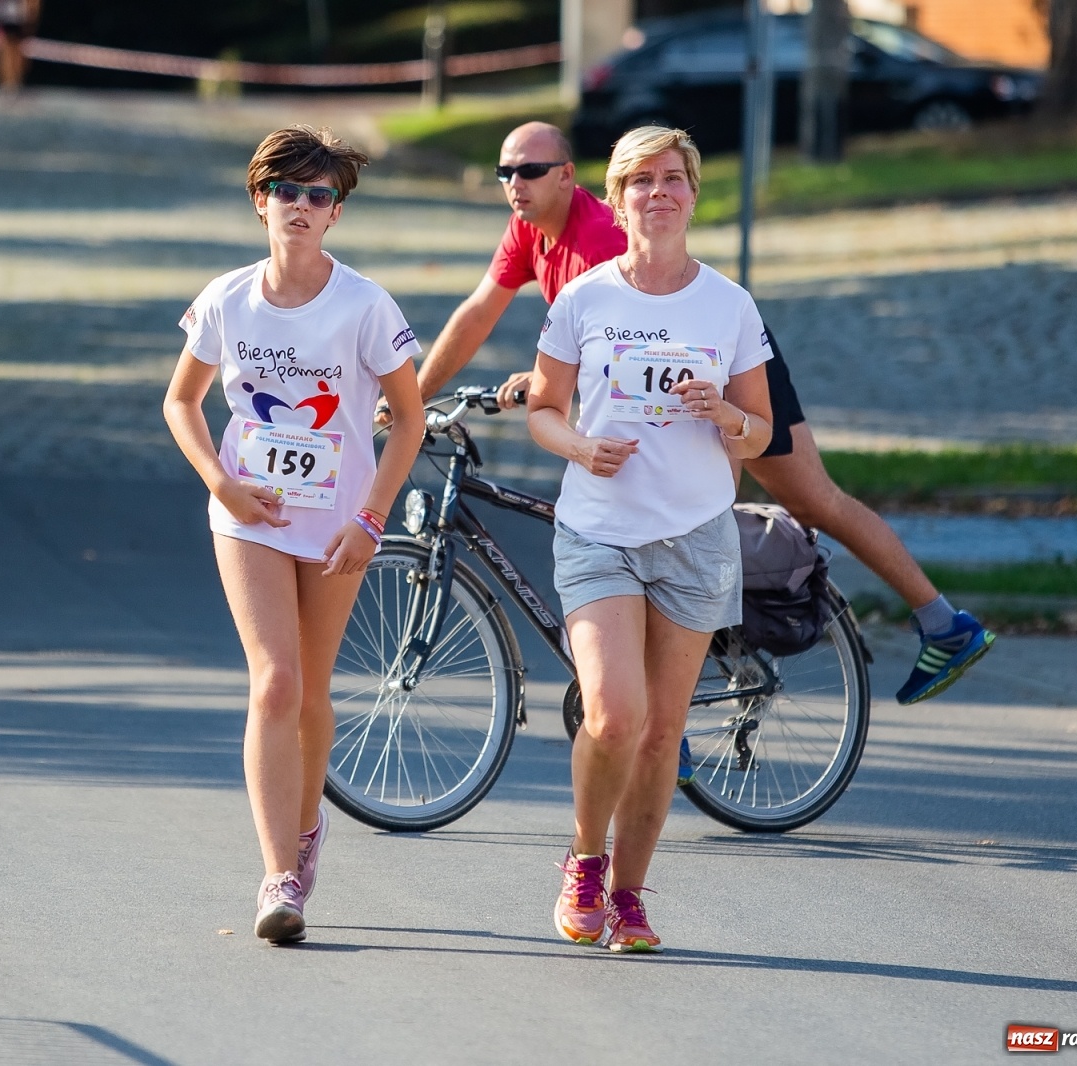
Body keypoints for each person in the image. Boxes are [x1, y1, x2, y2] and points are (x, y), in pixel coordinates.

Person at [400, 120, 994, 707]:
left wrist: (556, 378)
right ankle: (661, 702)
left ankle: (943, 623)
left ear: (567, 177)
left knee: (803, 501)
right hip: (668, 396)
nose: (515, 183)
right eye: (505, 172)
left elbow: (631, 347)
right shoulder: (528, 232)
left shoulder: (605, 238)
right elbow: (480, 312)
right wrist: (412, 396)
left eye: (529, 170)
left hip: (725, 368)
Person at [162, 125, 424, 944]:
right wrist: (223, 483)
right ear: (260, 200)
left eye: (320, 196)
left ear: (336, 213)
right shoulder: (227, 299)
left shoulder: (365, 304)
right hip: (250, 518)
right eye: (289, 192)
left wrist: (372, 520)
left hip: (339, 523)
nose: (303, 207)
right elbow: (181, 401)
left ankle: (307, 828)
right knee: (274, 683)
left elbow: (408, 422)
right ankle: (280, 876)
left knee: (313, 692)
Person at [527, 126, 774, 951]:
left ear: (694, 195)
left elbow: (761, 433)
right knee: (614, 715)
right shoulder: (585, 299)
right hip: (599, 530)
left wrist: (728, 416)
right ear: (619, 196)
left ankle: (629, 897)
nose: (659, 194)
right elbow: (542, 411)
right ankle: (585, 860)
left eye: (674, 180)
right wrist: (579, 446)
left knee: (665, 731)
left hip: (696, 536)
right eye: (641, 182)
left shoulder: (729, 305)